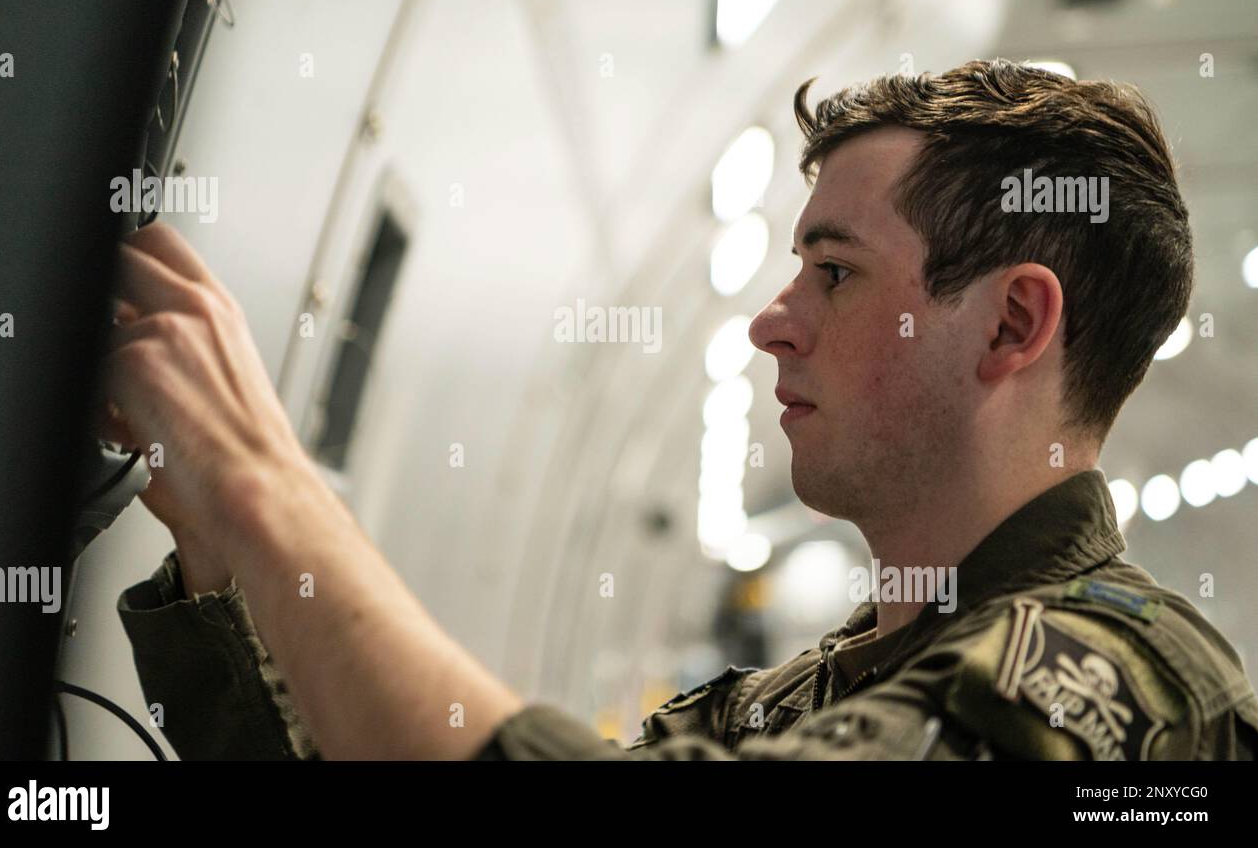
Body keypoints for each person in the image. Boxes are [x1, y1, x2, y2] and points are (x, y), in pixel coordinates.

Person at [109, 59, 1257, 760]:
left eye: (835, 272)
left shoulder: (1122, 686)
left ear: (1010, 326)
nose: (772, 323)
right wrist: (218, 550)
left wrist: (271, 490)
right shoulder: (800, 699)